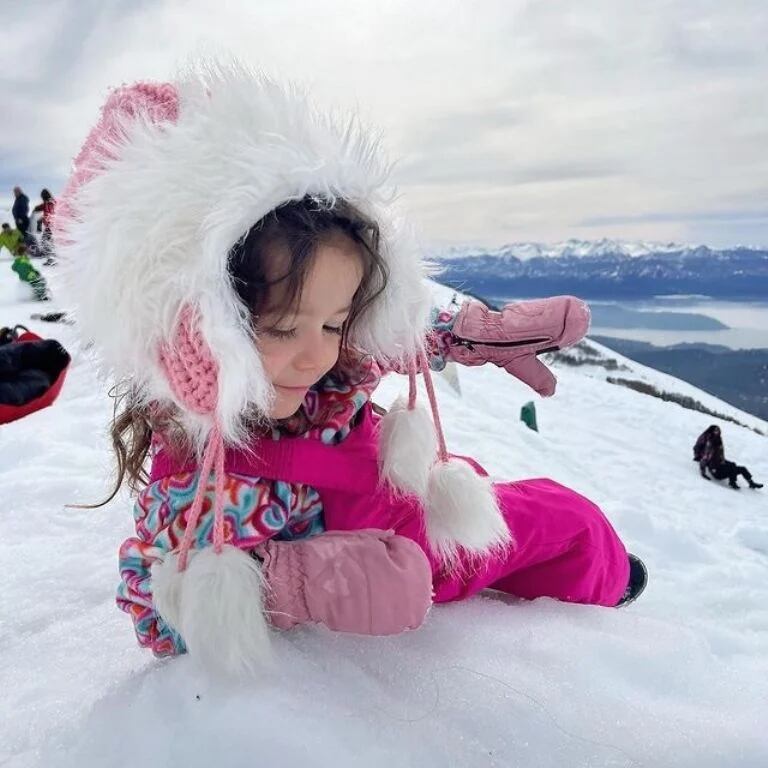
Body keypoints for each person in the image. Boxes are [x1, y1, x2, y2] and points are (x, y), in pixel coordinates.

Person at [54, 62, 643, 674]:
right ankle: (612, 581)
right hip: (402, 552)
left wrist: (458, 336)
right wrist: (295, 581)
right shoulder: (198, 477)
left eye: (335, 322)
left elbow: (365, 349)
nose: (319, 355)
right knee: (564, 521)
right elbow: (161, 614)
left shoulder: (299, 370)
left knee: (552, 510)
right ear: (197, 332)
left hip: (398, 497)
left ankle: (608, 571)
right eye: (282, 327)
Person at [694, 425, 762, 490]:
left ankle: (751, 483)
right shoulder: (710, 444)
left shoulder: (718, 441)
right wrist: (703, 473)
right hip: (716, 470)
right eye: (715, 431)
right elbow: (705, 459)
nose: (718, 432)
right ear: (712, 432)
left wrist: (722, 460)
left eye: (718, 431)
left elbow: (721, 454)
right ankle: (732, 482)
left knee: (742, 468)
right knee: (732, 466)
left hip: (720, 464)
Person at [32, 188, 56, 263]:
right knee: (46, 242)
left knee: (45, 242)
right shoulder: (47, 202)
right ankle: (51, 258)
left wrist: (41, 220)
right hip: (49, 227)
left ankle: (52, 259)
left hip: (52, 227)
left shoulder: (51, 203)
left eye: (42, 197)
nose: (42, 199)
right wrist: (37, 208)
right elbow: (42, 207)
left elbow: (51, 214)